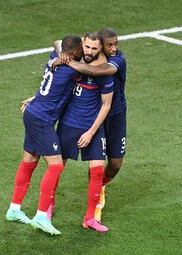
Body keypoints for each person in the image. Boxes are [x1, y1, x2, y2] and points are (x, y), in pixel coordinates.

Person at [5, 35, 83, 236]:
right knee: (56, 165)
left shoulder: (56, 56)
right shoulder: (69, 68)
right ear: (74, 53)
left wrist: (60, 54)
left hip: (34, 113)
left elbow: (57, 41)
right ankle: (41, 216)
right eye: (82, 49)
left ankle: (14, 209)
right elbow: (88, 68)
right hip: (42, 119)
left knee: (29, 161)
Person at [57, 28, 127, 222]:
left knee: (115, 164)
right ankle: (94, 204)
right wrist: (62, 52)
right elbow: (58, 42)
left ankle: (101, 185)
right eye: (109, 45)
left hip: (115, 115)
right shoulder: (89, 52)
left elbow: (96, 71)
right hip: (93, 114)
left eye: (116, 43)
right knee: (96, 162)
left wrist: (67, 61)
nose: (114, 48)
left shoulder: (117, 59)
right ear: (101, 46)